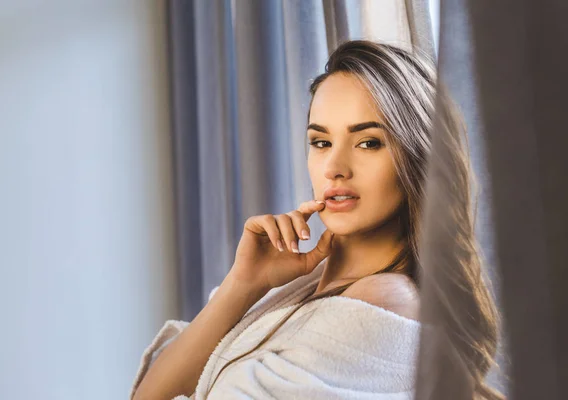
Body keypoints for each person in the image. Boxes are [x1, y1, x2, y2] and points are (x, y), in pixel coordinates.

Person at [130, 39, 503, 400]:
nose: (334, 168)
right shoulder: (298, 287)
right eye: (321, 142)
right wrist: (242, 284)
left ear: (420, 156)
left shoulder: (384, 300)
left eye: (368, 142)